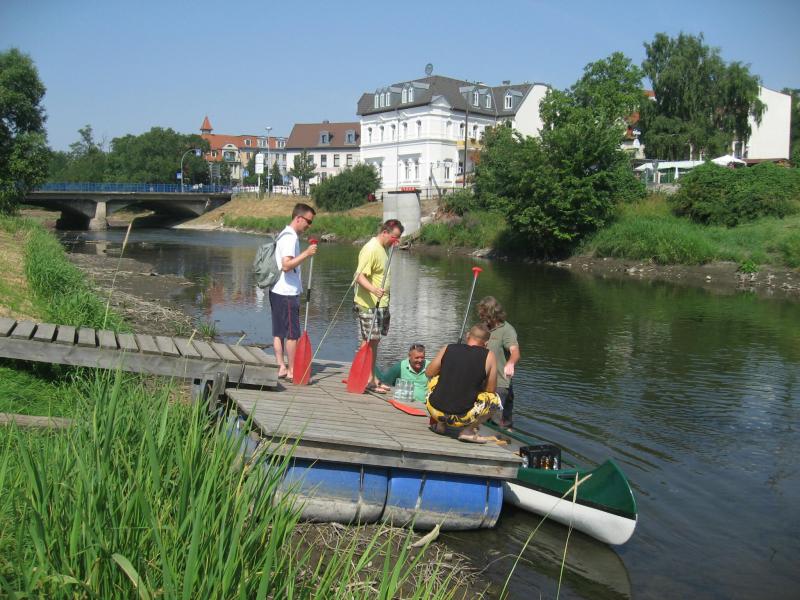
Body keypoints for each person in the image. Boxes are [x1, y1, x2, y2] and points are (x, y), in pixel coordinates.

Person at [425, 324, 504, 443]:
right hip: (463, 417)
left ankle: (440, 425)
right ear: (486, 343)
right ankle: (467, 431)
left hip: (434, 410)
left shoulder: (448, 347)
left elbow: (429, 372)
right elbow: (490, 389)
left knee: (435, 379)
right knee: (494, 399)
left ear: (467, 336)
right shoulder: (489, 355)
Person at [353, 218, 404, 393]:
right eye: (394, 237)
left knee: (375, 341)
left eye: (398, 238)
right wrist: (374, 290)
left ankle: (372, 378)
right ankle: (365, 379)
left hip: (381, 304)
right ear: (385, 232)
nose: (395, 241)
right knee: (368, 341)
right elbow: (359, 276)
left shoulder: (384, 248)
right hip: (368, 304)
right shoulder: (371, 249)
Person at [270, 203, 318, 380]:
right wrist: (306, 253)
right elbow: (286, 265)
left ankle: (281, 367)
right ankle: (291, 370)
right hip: (287, 293)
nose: (309, 226)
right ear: (298, 218)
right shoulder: (290, 238)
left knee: (278, 332)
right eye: (308, 221)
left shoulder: (283, 233)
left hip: (276, 289)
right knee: (292, 334)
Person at [477, 296, 520, 430]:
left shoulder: (507, 330)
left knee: (498, 420)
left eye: (484, 315)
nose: (482, 317)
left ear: (493, 313)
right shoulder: (484, 328)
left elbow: (515, 351)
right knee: (480, 415)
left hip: (499, 383)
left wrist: (511, 363)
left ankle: (503, 435)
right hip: (482, 381)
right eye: (481, 315)